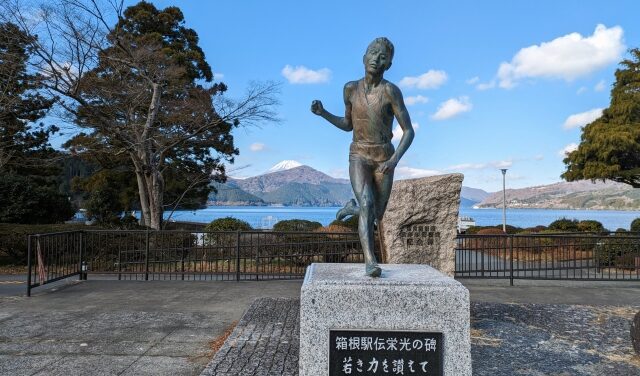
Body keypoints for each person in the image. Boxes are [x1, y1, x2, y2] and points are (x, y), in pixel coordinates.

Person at [311, 37, 414, 277]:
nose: (376, 59)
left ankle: (351, 208)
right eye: (372, 53)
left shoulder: (390, 91)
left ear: (388, 64)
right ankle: (370, 261)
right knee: (367, 203)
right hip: (358, 154)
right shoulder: (350, 89)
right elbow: (348, 124)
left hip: (384, 157)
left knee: (375, 214)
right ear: (364, 57)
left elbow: (408, 131)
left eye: (383, 57)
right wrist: (323, 113)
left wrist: (394, 159)